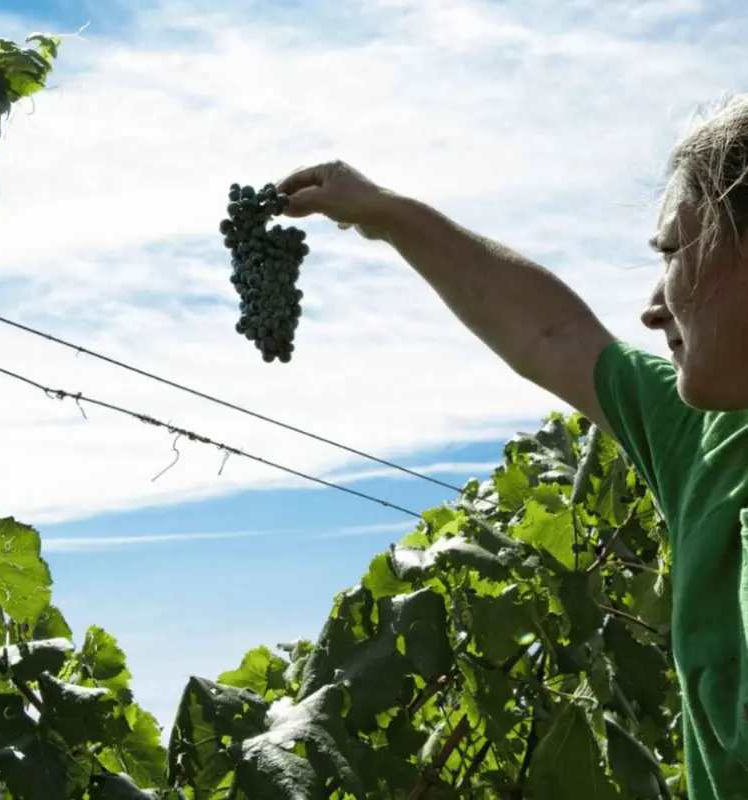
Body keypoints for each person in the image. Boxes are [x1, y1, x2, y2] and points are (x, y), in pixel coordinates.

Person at [276, 94, 748, 800]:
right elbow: (550, 335)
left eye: (674, 251)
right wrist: (387, 213)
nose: (652, 308)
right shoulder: (709, 441)